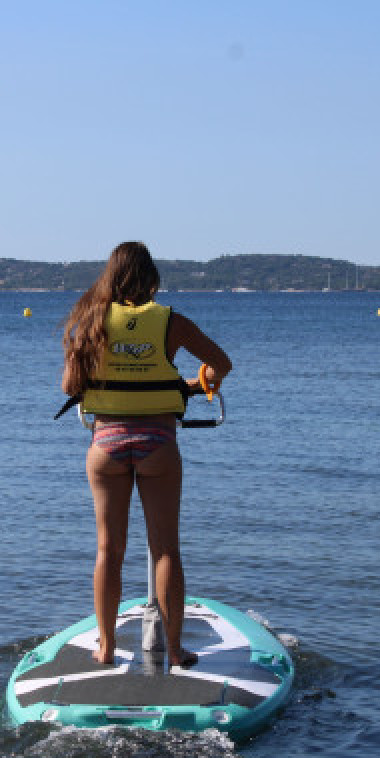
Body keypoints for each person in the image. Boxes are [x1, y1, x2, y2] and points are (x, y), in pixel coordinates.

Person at [60, 241, 232, 669]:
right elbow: (221, 364)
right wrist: (191, 385)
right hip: (158, 442)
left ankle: (105, 647)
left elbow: (69, 387)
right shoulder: (170, 321)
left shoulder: (91, 321)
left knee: (108, 550)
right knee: (166, 550)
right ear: (151, 278)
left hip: (106, 444)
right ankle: (174, 650)